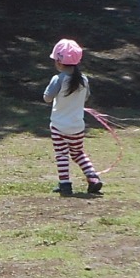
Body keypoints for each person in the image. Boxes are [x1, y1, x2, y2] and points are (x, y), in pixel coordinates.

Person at [44, 37, 102, 197]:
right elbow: (86, 97)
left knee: (61, 154)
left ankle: (65, 185)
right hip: (77, 126)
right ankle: (93, 177)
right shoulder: (83, 80)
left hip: (58, 125)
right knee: (78, 153)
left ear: (59, 61)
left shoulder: (58, 79)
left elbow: (47, 98)